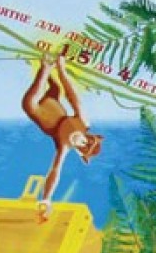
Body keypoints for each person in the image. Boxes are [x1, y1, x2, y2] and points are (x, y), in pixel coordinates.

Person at [21, 50, 102, 214]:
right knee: (56, 87)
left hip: (35, 108)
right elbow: (72, 97)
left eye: (82, 146)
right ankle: (46, 66)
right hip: (53, 100)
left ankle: (44, 68)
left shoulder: (64, 146)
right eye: (86, 140)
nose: (81, 141)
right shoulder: (83, 122)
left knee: (30, 103)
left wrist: (46, 199)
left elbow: (55, 172)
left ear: (79, 151)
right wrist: (61, 69)